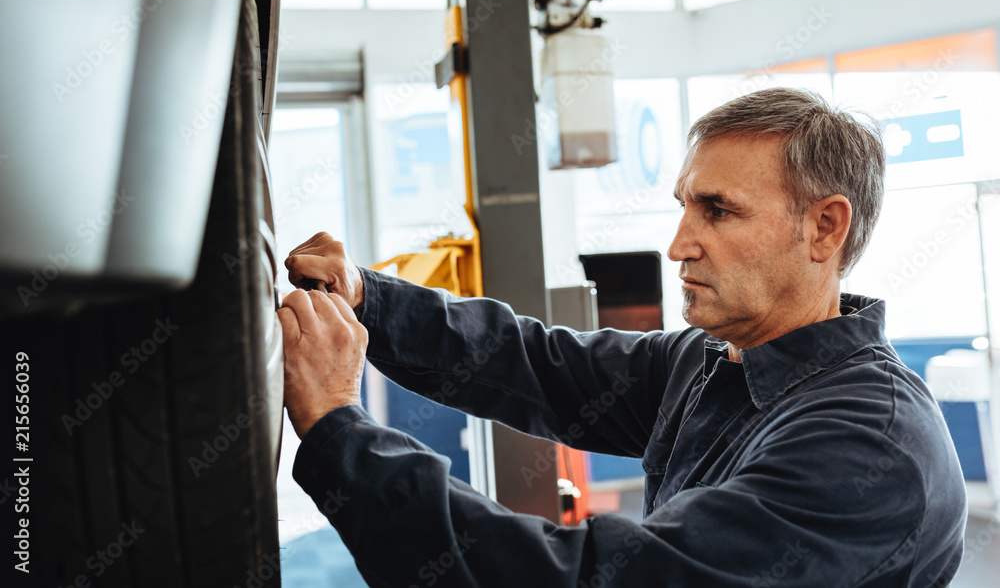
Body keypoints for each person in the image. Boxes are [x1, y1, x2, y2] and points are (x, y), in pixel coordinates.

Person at [278, 87, 967, 587]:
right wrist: (370, 298)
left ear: (824, 227)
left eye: (718, 211)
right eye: (685, 207)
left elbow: (582, 580)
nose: (679, 245)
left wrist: (339, 427)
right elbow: (534, 363)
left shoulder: (868, 448)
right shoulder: (710, 362)